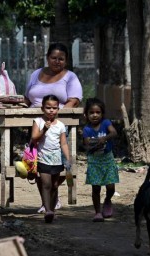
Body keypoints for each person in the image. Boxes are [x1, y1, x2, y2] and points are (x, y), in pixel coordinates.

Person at [24, 42, 83, 213]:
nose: (57, 61)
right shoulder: (36, 74)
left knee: (59, 165)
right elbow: (28, 98)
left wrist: (55, 118)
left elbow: (74, 100)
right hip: (36, 124)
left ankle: (53, 197)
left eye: (61, 59)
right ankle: (46, 202)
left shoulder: (70, 77)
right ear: (47, 58)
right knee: (38, 164)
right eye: (54, 58)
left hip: (59, 126)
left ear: (66, 60)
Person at [31, 94, 72, 223]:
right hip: (42, 158)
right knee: (46, 184)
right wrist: (44, 129)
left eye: (54, 108)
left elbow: (63, 143)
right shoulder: (38, 121)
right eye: (48, 107)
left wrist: (68, 158)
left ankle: (52, 211)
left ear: (58, 109)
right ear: (43, 108)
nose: (51, 110)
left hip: (56, 160)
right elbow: (34, 138)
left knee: (54, 185)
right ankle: (47, 209)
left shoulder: (60, 125)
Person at [82, 97, 119, 222]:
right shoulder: (86, 130)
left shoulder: (106, 123)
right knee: (96, 188)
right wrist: (93, 144)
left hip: (108, 159)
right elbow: (87, 144)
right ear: (86, 114)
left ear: (102, 114)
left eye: (98, 112)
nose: (95, 115)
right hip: (94, 161)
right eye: (91, 112)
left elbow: (114, 133)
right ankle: (97, 212)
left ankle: (108, 200)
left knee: (110, 187)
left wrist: (105, 138)